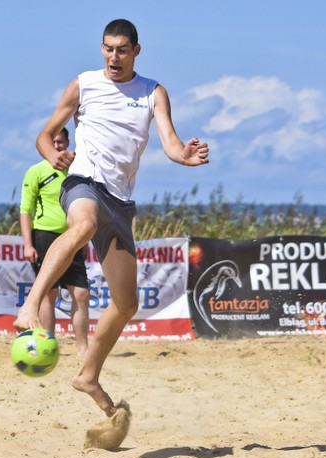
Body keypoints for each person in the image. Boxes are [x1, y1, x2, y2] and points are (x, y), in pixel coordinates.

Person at [14, 19, 209, 417]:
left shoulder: (153, 92)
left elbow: (170, 142)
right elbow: (45, 134)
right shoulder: (84, 83)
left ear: (136, 50)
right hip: (83, 184)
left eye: (121, 49)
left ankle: (88, 376)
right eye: (107, 48)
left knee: (125, 304)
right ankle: (31, 306)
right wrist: (54, 157)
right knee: (82, 225)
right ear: (101, 48)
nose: (113, 57)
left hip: (119, 203)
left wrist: (184, 155)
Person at [19, 127, 90, 358]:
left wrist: (85, 241)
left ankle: (83, 348)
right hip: (44, 236)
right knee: (49, 294)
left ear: (68, 142)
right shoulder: (36, 171)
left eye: (61, 142)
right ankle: (47, 343)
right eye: (54, 143)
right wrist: (28, 244)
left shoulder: (76, 170)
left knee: (80, 294)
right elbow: (25, 210)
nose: (58, 147)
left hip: (73, 235)